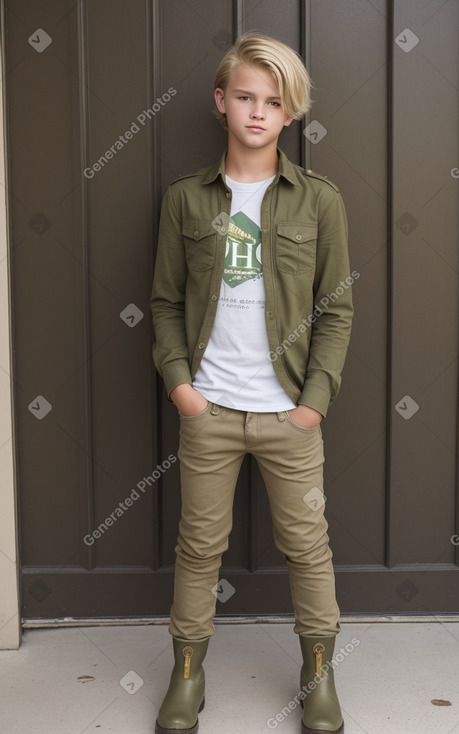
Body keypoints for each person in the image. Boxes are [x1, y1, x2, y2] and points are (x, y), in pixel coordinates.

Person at [150, 31, 353, 734]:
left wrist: (313, 403)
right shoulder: (185, 200)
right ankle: (186, 674)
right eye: (244, 97)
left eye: (273, 101)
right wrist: (182, 388)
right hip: (207, 409)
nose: (257, 113)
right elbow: (166, 303)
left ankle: (318, 675)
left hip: (286, 415)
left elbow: (336, 309)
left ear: (289, 114)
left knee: (307, 544)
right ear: (221, 101)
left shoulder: (318, 201)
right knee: (197, 545)